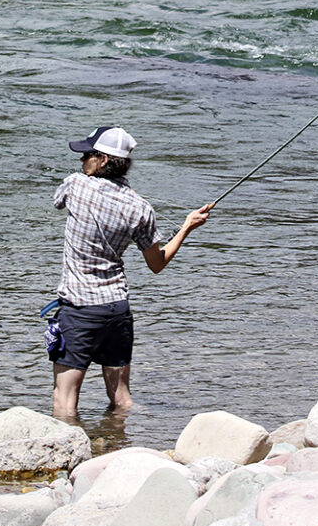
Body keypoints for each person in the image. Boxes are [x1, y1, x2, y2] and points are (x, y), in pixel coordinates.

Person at [49, 125, 211, 418]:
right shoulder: (141, 208)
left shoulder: (76, 185)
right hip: (116, 309)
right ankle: (120, 441)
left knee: (64, 401)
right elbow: (157, 263)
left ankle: (71, 449)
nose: (81, 160)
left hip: (80, 308)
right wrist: (187, 226)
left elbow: (57, 200)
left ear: (103, 160)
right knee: (122, 399)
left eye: (87, 155)